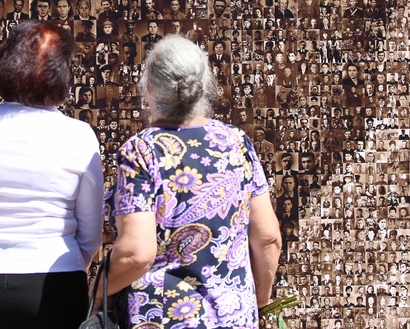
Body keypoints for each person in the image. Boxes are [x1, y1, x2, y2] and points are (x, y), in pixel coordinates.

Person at [99, 35, 282, 328]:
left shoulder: (141, 151)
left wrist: (95, 296)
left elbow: (136, 254)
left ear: (149, 89)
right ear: (205, 85)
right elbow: (268, 236)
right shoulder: (237, 143)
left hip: (163, 318)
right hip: (232, 318)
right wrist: (259, 303)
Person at [0, 21, 104, 329]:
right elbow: (91, 232)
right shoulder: (79, 135)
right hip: (57, 278)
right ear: (61, 73)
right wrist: (73, 264)